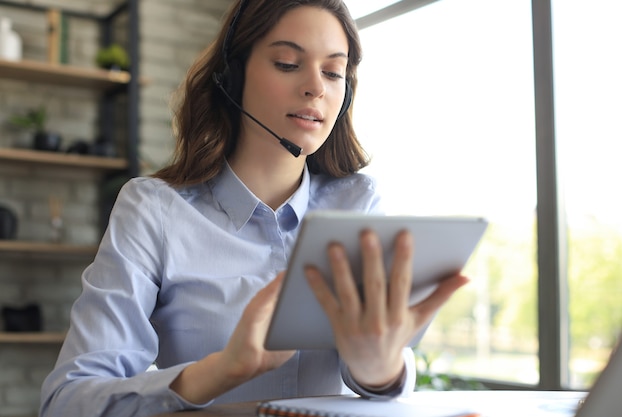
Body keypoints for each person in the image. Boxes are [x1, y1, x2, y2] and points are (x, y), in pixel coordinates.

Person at [40, 1, 468, 416]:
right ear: (233, 75)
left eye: (334, 72)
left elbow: (377, 381)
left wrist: (381, 368)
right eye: (287, 63)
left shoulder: (358, 202)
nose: (316, 87)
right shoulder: (153, 208)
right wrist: (218, 372)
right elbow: (67, 402)